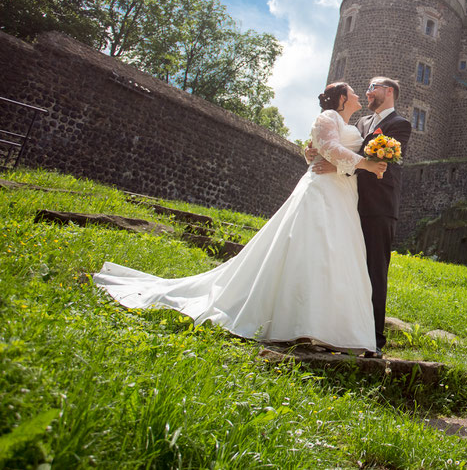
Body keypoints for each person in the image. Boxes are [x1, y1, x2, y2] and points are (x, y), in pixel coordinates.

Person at [92, 83, 387, 353]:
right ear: (342, 98)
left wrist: (345, 164)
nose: (360, 95)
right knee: (310, 245)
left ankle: (331, 326)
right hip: (321, 192)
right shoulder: (327, 118)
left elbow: (325, 153)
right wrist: (363, 164)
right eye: (354, 91)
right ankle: (299, 323)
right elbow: (327, 148)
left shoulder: (351, 125)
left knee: (337, 253)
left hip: (344, 192)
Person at [309, 77, 411, 358]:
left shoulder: (400, 125)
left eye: (372, 88)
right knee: (348, 267)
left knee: (375, 270)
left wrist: (339, 165)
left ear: (388, 92)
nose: (367, 92)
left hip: (379, 205)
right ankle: (342, 328)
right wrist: (316, 150)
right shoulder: (361, 123)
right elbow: (342, 146)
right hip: (349, 201)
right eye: (365, 89)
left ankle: (374, 337)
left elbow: (381, 159)